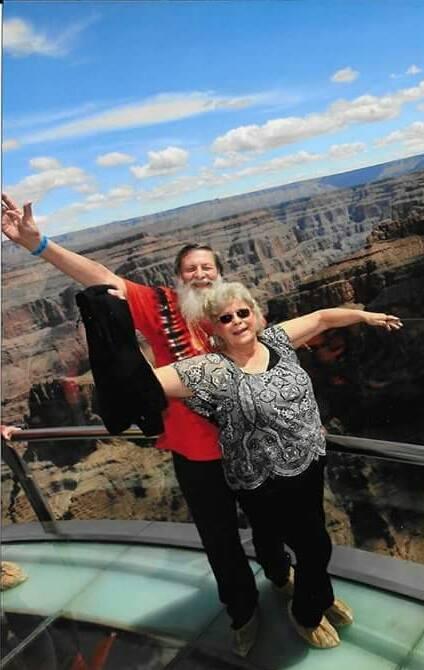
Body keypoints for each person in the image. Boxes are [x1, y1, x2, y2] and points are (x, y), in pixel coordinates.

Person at [1, 194, 289, 656]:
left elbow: (282, 353)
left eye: (206, 267)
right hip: (195, 452)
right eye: (190, 268)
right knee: (220, 542)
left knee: (271, 524)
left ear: (220, 272)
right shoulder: (161, 307)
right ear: (179, 277)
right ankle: (243, 613)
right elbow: (103, 279)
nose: (199, 274)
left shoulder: (239, 312)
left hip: (250, 444)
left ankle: (283, 581)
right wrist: (39, 246)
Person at [151, 281, 403, 648]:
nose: (237, 321)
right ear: (214, 328)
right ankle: (306, 612)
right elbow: (146, 384)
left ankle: (310, 589)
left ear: (255, 314)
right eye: (226, 318)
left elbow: (320, 318)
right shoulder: (209, 369)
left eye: (243, 312)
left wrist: (365, 316)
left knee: (301, 535)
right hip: (260, 479)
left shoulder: (277, 340)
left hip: (308, 465)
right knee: (315, 546)